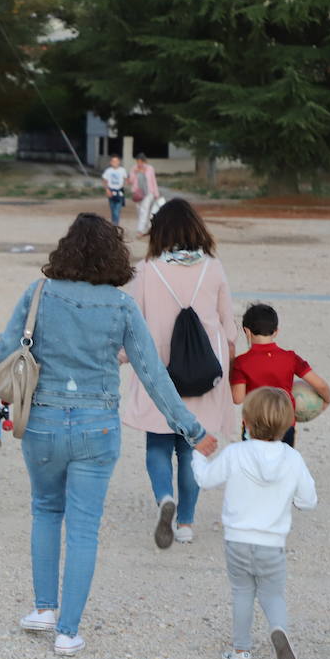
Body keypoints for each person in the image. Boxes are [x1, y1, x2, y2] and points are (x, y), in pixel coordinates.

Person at [0, 213, 218, 656]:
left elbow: (6, 351)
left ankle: (43, 608)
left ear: (66, 249)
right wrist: (193, 430)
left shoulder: (38, 292)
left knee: (44, 510)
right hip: (96, 427)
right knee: (83, 528)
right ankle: (67, 631)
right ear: (112, 256)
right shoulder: (120, 306)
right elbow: (153, 374)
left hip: (42, 420)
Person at [122, 197, 236, 548]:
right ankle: (185, 522)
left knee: (158, 442)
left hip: (160, 370)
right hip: (204, 371)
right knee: (192, 448)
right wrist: (230, 365)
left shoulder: (147, 270)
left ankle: (163, 498)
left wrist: (121, 357)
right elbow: (227, 324)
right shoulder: (213, 268)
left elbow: (132, 324)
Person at [191, 387, 317, 659]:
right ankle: (278, 629)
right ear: (287, 425)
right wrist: (294, 499)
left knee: (242, 593)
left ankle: (241, 650)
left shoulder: (235, 453)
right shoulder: (292, 459)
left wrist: (198, 455)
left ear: (245, 421)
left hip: (237, 541)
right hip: (272, 544)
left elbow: (206, 479)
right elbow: (308, 501)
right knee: (273, 594)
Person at [230, 303, 330, 446]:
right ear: (276, 331)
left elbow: (238, 398)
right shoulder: (290, 358)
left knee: (253, 465)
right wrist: (327, 400)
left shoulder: (241, 362)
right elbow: (320, 385)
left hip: (254, 425)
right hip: (284, 424)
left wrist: (231, 366)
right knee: (283, 463)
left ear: (246, 331)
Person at [130, 152, 164, 236]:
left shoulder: (150, 168)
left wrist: (156, 193)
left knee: (144, 211)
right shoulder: (133, 168)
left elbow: (153, 181)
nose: (139, 163)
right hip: (138, 194)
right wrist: (135, 172)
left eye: (141, 161)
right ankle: (146, 227)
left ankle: (140, 230)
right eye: (138, 161)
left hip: (149, 193)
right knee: (140, 211)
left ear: (144, 161)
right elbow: (130, 181)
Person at [101, 155, 129, 225]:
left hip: (119, 191)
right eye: (113, 161)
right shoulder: (108, 171)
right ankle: (114, 224)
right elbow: (104, 181)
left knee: (117, 210)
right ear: (111, 162)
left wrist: (123, 186)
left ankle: (115, 225)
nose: (115, 162)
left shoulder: (122, 170)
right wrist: (107, 190)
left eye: (116, 161)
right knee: (113, 209)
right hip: (111, 191)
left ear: (119, 162)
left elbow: (126, 180)